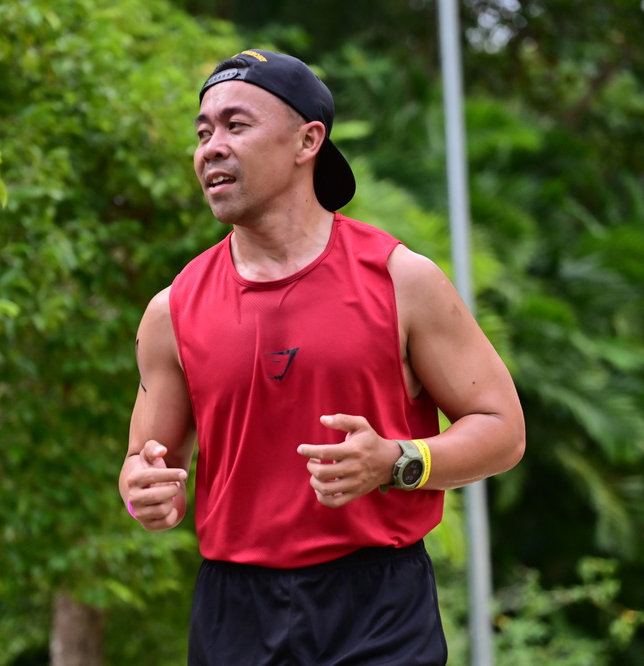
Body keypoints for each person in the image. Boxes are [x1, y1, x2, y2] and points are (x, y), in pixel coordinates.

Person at [118, 48, 525, 665]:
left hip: (379, 606)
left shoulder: (401, 279)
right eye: (202, 133)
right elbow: (148, 467)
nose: (211, 148)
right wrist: (142, 493)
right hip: (235, 614)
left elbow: (503, 430)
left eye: (235, 125)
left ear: (308, 140)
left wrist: (396, 461)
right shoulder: (171, 310)